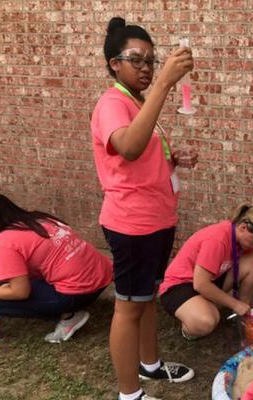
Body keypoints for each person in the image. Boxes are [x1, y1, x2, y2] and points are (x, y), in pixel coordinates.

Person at [91, 17, 197, 400]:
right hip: (132, 225)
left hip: (156, 220)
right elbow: (129, 147)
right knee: (128, 308)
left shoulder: (137, 103)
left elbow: (139, 158)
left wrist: (174, 159)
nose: (147, 68)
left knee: (147, 298)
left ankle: (150, 364)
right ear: (113, 63)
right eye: (136, 59)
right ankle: (129, 394)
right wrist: (167, 83)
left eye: (151, 61)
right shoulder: (112, 103)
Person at [0, 192, 112, 343]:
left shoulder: (3, 242)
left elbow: (20, 292)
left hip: (79, 292)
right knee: (4, 286)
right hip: (103, 274)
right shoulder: (35, 219)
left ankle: (69, 316)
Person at [159, 204, 253, 339]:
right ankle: (189, 326)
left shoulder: (240, 236)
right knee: (206, 322)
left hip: (210, 279)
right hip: (180, 286)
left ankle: (242, 317)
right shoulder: (217, 239)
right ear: (243, 227)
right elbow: (200, 284)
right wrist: (234, 303)